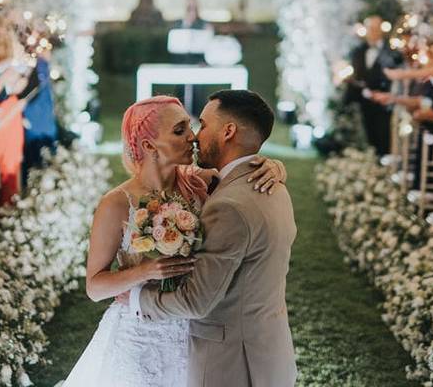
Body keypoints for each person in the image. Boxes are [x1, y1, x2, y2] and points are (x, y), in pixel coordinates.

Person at [63, 94, 287, 387]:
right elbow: (95, 287)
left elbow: (242, 177)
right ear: (148, 145)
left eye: (192, 127)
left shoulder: (199, 183)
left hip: (192, 333)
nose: (193, 137)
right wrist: (143, 272)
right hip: (139, 337)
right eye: (180, 131)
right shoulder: (116, 203)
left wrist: (274, 166)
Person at [133, 90, 297, 387]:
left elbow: (197, 302)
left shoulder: (230, 205)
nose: (195, 136)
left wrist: (136, 299)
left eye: (204, 125)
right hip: (269, 352)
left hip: (232, 363)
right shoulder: (272, 185)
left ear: (229, 131)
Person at [345, 16, 403, 155]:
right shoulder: (358, 51)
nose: (373, 32)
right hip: (363, 101)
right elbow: (354, 75)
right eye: (370, 28)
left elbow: (396, 75)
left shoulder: (392, 51)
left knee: (384, 136)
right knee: (368, 135)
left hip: (385, 102)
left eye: (376, 28)